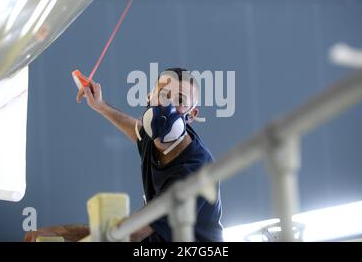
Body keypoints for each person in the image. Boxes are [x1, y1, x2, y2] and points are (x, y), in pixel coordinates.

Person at [25, 67, 223, 242]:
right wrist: (100, 105)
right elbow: (135, 129)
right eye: (162, 95)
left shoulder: (195, 172)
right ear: (149, 98)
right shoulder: (152, 136)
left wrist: (61, 231)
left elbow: (131, 233)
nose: (167, 105)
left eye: (180, 100)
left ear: (192, 115)